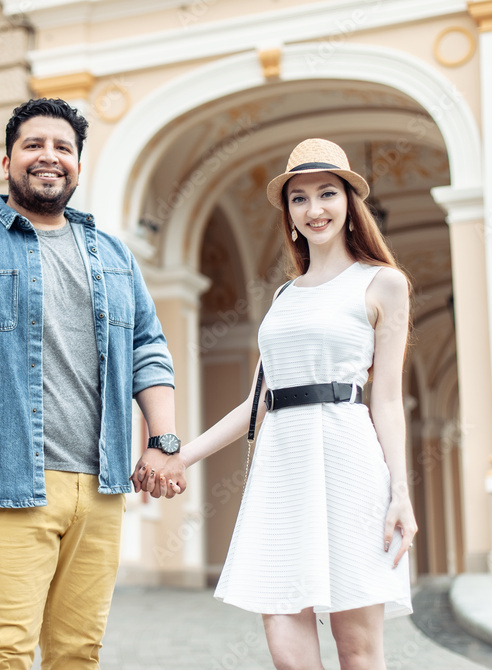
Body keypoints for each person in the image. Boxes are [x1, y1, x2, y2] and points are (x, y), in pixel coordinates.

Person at [0, 98, 184, 670]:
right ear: (6, 161)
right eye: (33, 145)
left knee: (78, 654)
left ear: (77, 165)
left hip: (101, 486)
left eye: (63, 148)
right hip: (6, 482)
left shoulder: (115, 256)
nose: (49, 157)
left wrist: (163, 439)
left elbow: (149, 350)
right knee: (4, 654)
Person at [137, 138, 416, 669]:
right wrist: (182, 455)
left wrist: (399, 493)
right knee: (286, 648)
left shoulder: (383, 284)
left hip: (350, 461)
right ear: (288, 214)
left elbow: (386, 399)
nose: (314, 209)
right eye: (300, 198)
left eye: (327, 193)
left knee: (357, 649)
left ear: (349, 202)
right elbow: (259, 400)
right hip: (282, 468)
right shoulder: (285, 296)